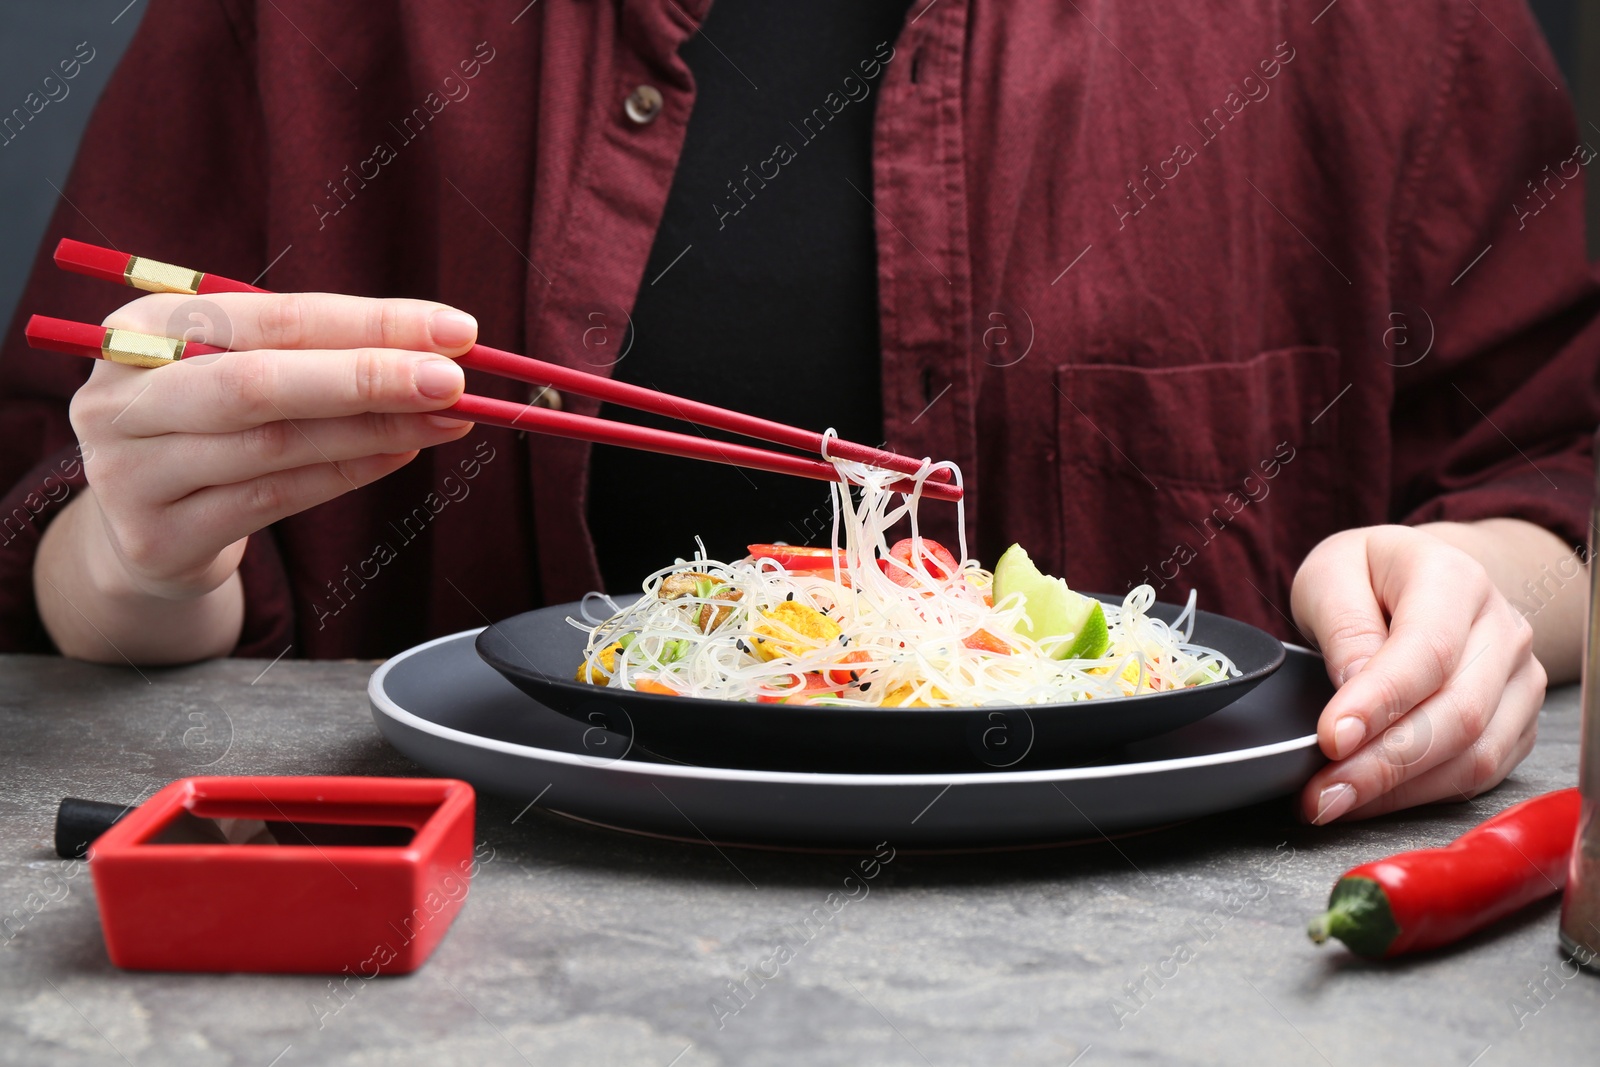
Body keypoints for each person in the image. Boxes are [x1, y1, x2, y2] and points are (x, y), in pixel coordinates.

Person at [1, 0, 1595, 828]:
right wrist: (134, 558)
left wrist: (1473, 596)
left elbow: (1558, 466)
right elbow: (51, 502)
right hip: (474, 971)